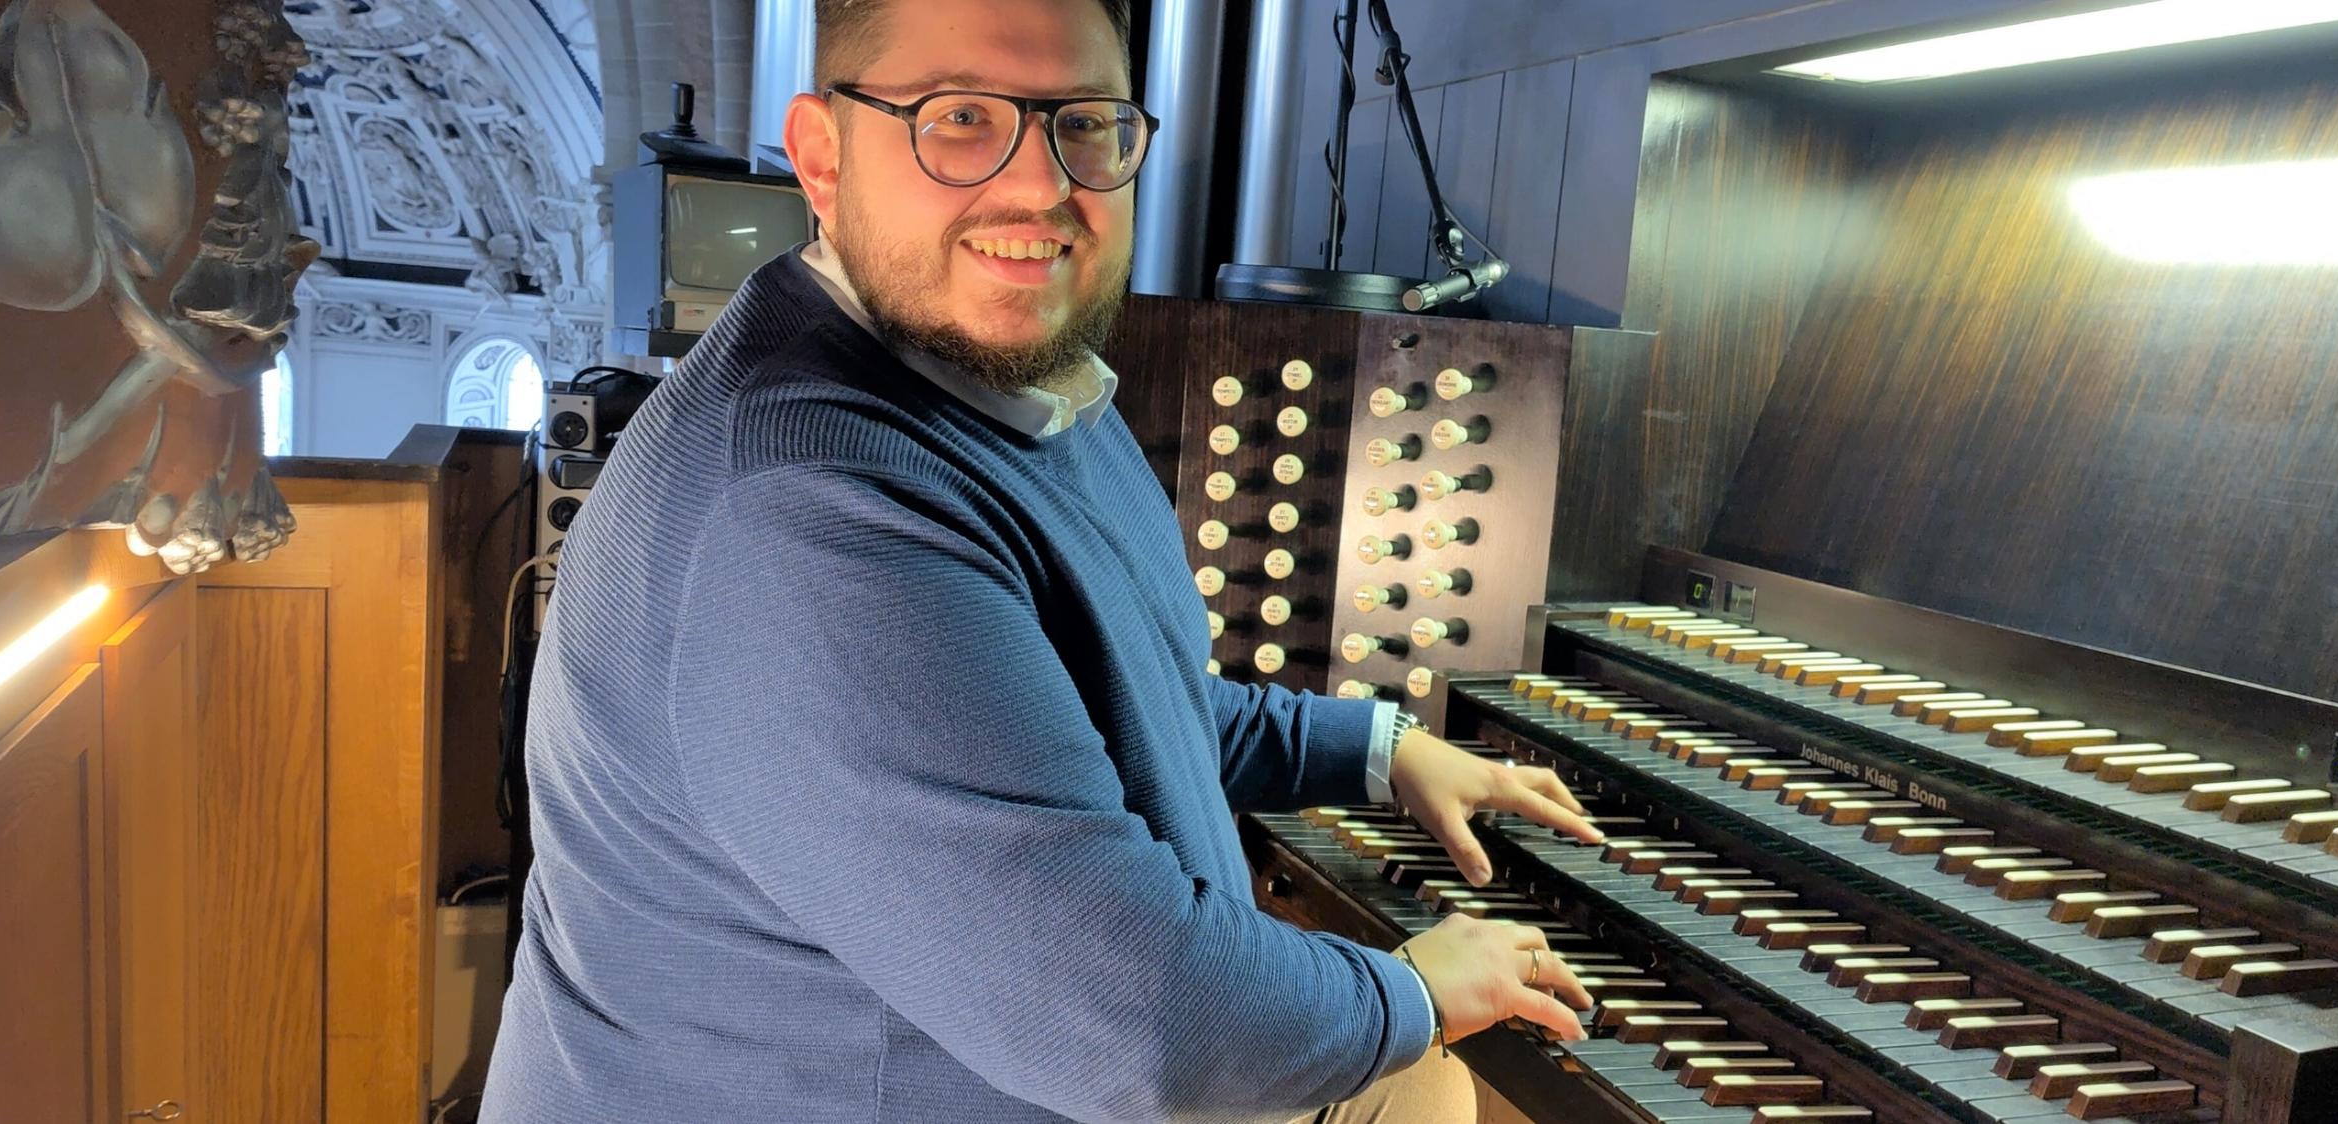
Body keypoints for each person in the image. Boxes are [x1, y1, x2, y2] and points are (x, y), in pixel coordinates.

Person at [480, 1, 1604, 1121]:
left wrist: (1378, 745)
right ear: (823, 156)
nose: (1038, 185)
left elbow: (1113, 707)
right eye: (958, 117)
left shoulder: (1013, 377)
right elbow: (1148, 1023)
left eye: (1084, 124)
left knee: (1420, 1092)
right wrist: (1409, 988)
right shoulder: (811, 512)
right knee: (1436, 1085)